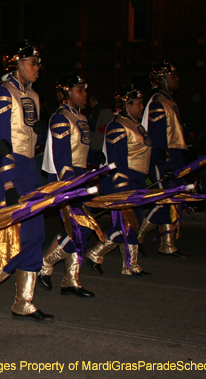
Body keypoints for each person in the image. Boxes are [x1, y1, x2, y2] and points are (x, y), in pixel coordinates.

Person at [0, 41, 53, 322]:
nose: (37, 68)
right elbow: (0, 140)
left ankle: (24, 302)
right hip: (9, 168)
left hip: (30, 166)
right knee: (16, 236)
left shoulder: (33, 95)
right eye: (33, 62)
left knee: (36, 234)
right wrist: (8, 182)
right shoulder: (1, 92)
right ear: (17, 64)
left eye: (38, 63)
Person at [38, 73, 97, 298]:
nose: (85, 94)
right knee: (82, 227)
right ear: (67, 93)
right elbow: (62, 156)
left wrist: (95, 156)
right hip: (67, 179)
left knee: (79, 229)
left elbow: (80, 149)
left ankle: (71, 280)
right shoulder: (61, 117)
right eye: (80, 90)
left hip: (79, 176)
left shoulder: (80, 117)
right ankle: (45, 264)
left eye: (84, 90)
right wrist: (70, 183)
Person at [85, 85, 151, 277]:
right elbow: (116, 159)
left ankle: (127, 264)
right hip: (123, 181)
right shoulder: (117, 125)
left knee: (134, 223)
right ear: (126, 105)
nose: (141, 107)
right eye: (138, 104)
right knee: (126, 224)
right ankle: (98, 255)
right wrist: (122, 186)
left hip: (138, 179)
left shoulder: (137, 126)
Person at [139, 61, 188, 258]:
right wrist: (162, 161)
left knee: (173, 201)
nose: (177, 79)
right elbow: (157, 135)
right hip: (164, 157)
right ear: (162, 80)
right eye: (173, 76)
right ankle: (137, 234)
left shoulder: (169, 101)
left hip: (174, 155)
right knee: (163, 200)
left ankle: (168, 244)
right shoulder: (158, 102)